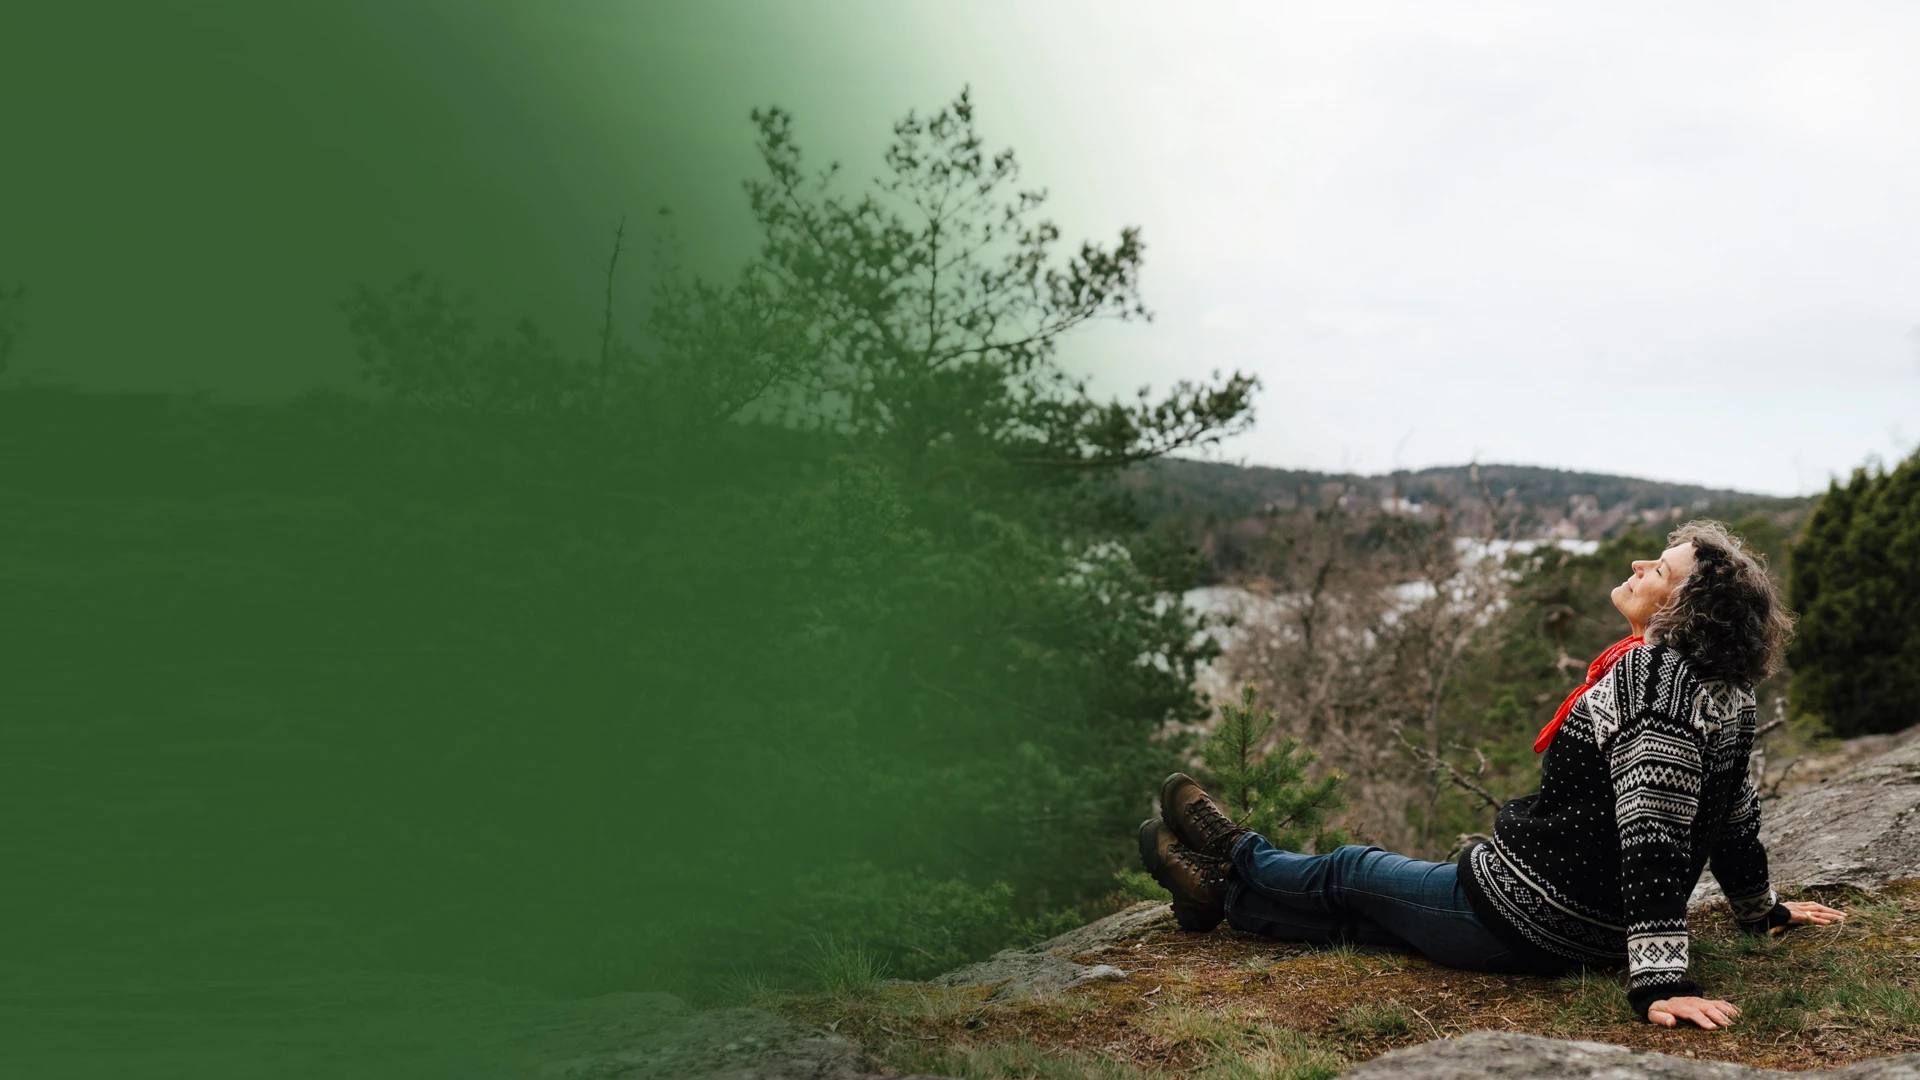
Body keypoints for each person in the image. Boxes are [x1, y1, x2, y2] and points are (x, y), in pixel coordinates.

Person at [1139, 520, 1846, 1029]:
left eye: (1659, 572)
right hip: (1574, 922)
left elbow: (1655, 835)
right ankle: (1221, 898)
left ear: (1684, 610)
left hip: (1535, 916)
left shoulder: (1653, 679)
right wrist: (1764, 913)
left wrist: (1660, 981)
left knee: (1353, 870)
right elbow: (1735, 821)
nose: (1638, 568)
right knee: (1366, 922)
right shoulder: (1726, 690)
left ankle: (1234, 849)